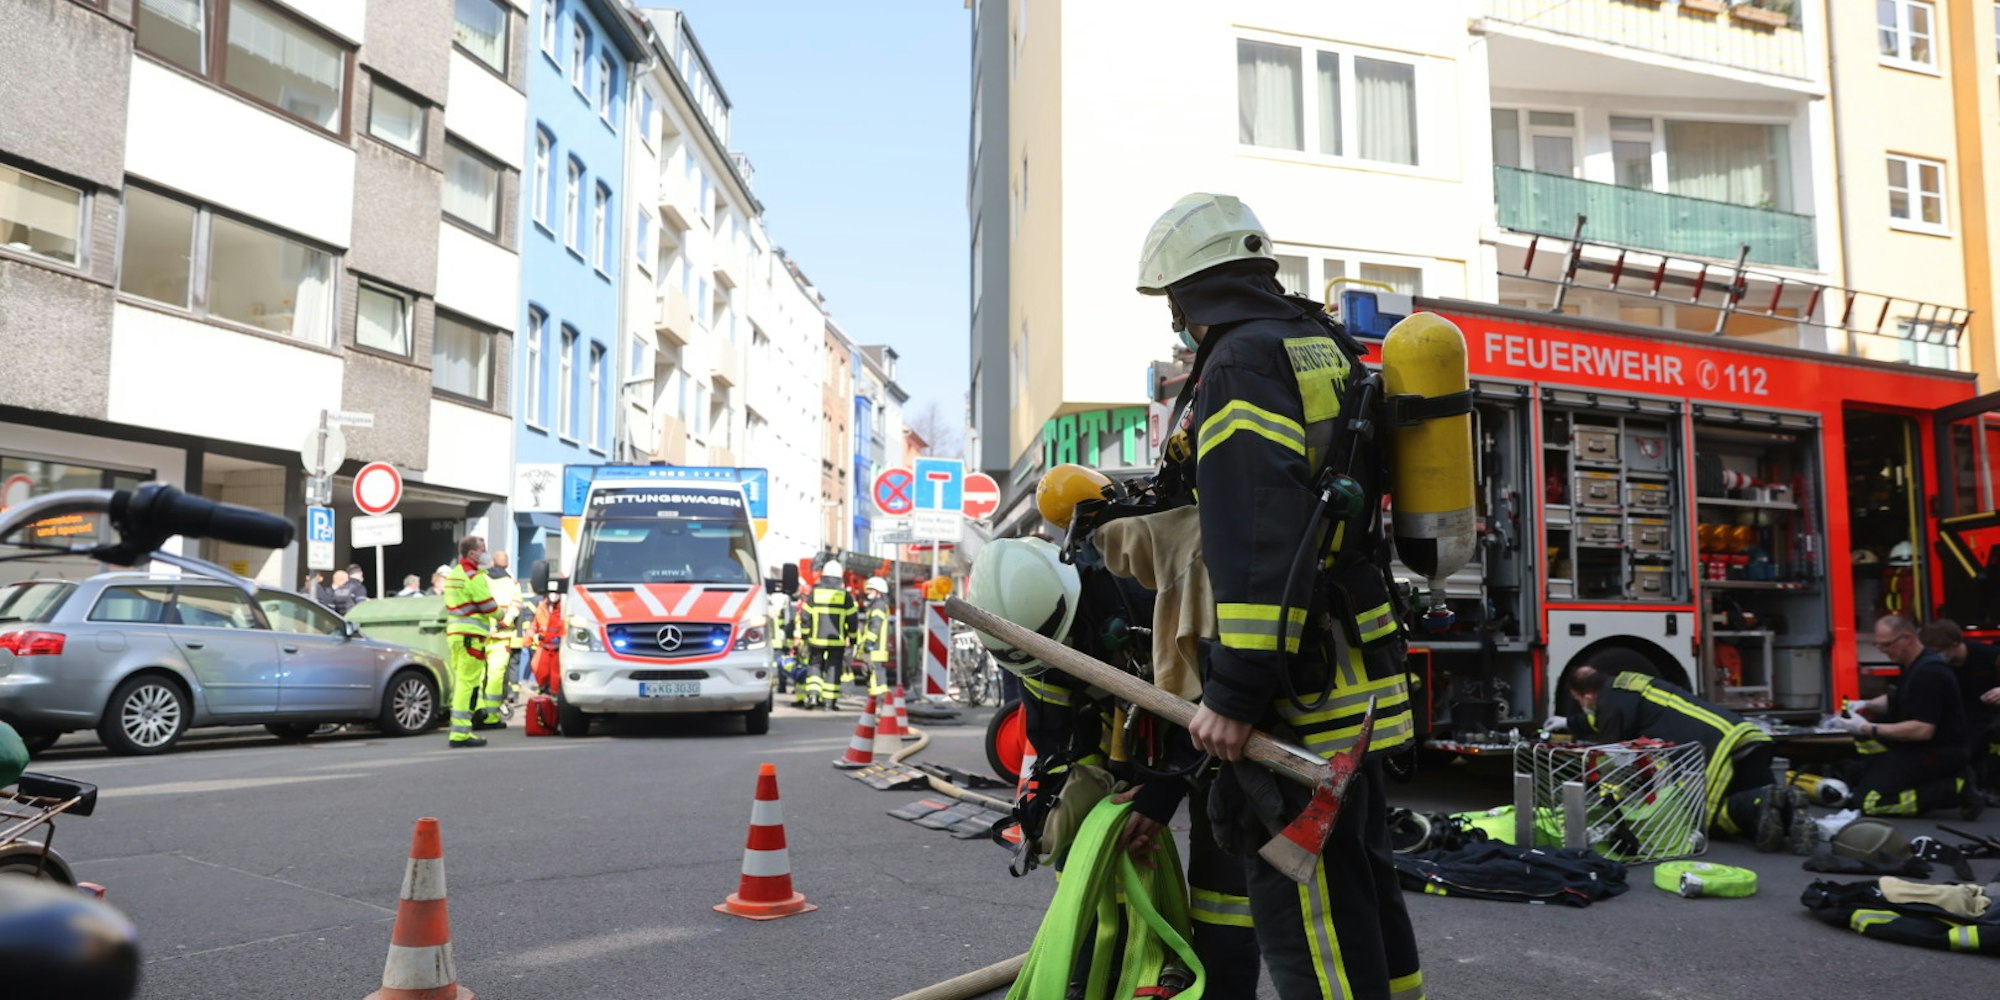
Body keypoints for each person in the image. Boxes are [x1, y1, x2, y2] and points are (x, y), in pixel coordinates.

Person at [1133, 192, 1422, 1000]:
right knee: (1363, 890)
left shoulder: (1241, 363)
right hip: (1356, 673)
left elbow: (1259, 538)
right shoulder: (1319, 342)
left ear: (1191, 293)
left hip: (1299, 693)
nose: (1177, 323)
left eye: (1173, 306)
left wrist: (1234, 691)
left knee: (1312, 916)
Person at [1564, 665, 1809, 852]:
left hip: (1717, 752)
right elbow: (1610, 720)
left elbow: (1611, 758)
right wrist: (1569, 723)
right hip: (1743, 736)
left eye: (1578, 702)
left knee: (1710, 817)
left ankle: (1765, 800)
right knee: (1768, 816)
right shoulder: (1628, 685)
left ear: (1586, 696)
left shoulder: (1611, 705)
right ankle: (1789, 808)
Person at [1838, 615, 1979, 818]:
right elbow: (1900, 699)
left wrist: (1866, 728)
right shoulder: (1915, 666)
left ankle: (1954, 788)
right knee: (1857, 777)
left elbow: (1922, 729)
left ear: (1907, 638)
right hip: (1916, 749)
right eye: (1879, 646)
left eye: (1887, 645)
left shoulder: (1930, 672)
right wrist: (1863, 704)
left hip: (1938, 752)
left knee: (1870, 802)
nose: (1884, 651)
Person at [1919, 619, 2000, 802]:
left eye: (1938, 651)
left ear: (1955, 645)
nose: (1934, 656)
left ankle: (1994, 786)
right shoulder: (1937, 666)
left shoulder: (1990, 656)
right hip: (1967, 715)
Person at [441, 536, 498, 748]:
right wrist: (501, 616)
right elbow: (488, 606)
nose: (486, 553)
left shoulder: (454, 574)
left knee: (461, 682)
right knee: (468, 683)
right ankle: (461, 732)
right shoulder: (474, 576)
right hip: (471, 637)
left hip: (456, 635)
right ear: (472, 553)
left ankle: (460, 728)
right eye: (483, 549)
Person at [798, 560, 856, 710]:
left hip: (816, 639)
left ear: (823, 575)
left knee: (815, 665)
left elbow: (805, 615)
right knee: (833, 668)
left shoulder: (815, 593)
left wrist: (805, 636)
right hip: (836, 641)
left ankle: (812, 695)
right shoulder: (845, 596)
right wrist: (853, 638)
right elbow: (852, 619)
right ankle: (829, 702)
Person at [476, 552, 521, 728]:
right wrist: (502, 624)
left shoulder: (481, 579)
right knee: (495, 678)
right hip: (502, 637)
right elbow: (515, 608)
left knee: (478, 676)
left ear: (493, 562)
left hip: (481, 634)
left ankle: (476, 712)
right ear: (507, 564)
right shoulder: (512, 583)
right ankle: (492, 717)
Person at [855, 576, 894, 697]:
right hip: (877, 649)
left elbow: (874, 628)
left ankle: (877, 703)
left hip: (875, 649)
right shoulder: (878, 605)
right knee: (878, 677)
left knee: (874, 678)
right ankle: (882, 703)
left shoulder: (878, 606)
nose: (868, 593)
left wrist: (868, 646)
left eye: (871, 590)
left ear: (878, 592)